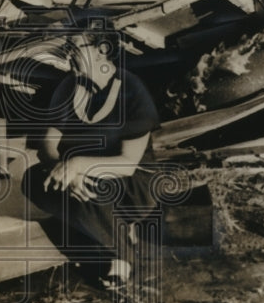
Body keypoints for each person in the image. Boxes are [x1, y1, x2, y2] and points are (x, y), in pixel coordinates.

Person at [22, 34, 161, 288]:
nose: (68, 54)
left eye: (74, 47)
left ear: (101, 51)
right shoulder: (68, 88)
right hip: (80, 177)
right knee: (32, 180)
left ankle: (122, 258)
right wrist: (63, 170)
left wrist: (74, 165)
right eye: (66, 48)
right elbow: (47, 144)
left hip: (130, 184)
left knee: (90, 191)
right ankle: (114, 229)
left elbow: (128, 163)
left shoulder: (131, 90)